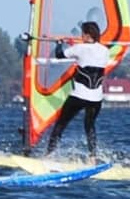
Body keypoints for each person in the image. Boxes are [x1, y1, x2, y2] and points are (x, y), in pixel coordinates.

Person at [45, 21, 110, 162]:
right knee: (90, 126)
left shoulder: (79, 48)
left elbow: (59, 55)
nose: (81, 36)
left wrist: (59, 43)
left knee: (61, 124)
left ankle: (49, 155)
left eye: (82, 34)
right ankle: (92, 157)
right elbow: (92, 55)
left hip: (79, 96)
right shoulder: (105, 51)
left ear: (87, 35)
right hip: (96, 98)